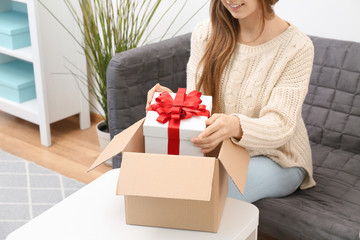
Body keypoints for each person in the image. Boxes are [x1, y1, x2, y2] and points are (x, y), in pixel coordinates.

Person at [146, 0, 316, 202]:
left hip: (279, 157)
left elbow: (281, 126)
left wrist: (236, 126)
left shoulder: (298, 47)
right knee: (161, 178)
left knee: (209, 192)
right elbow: (198, 103)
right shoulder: (205, 32)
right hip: (223, 150)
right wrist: (172, 103)